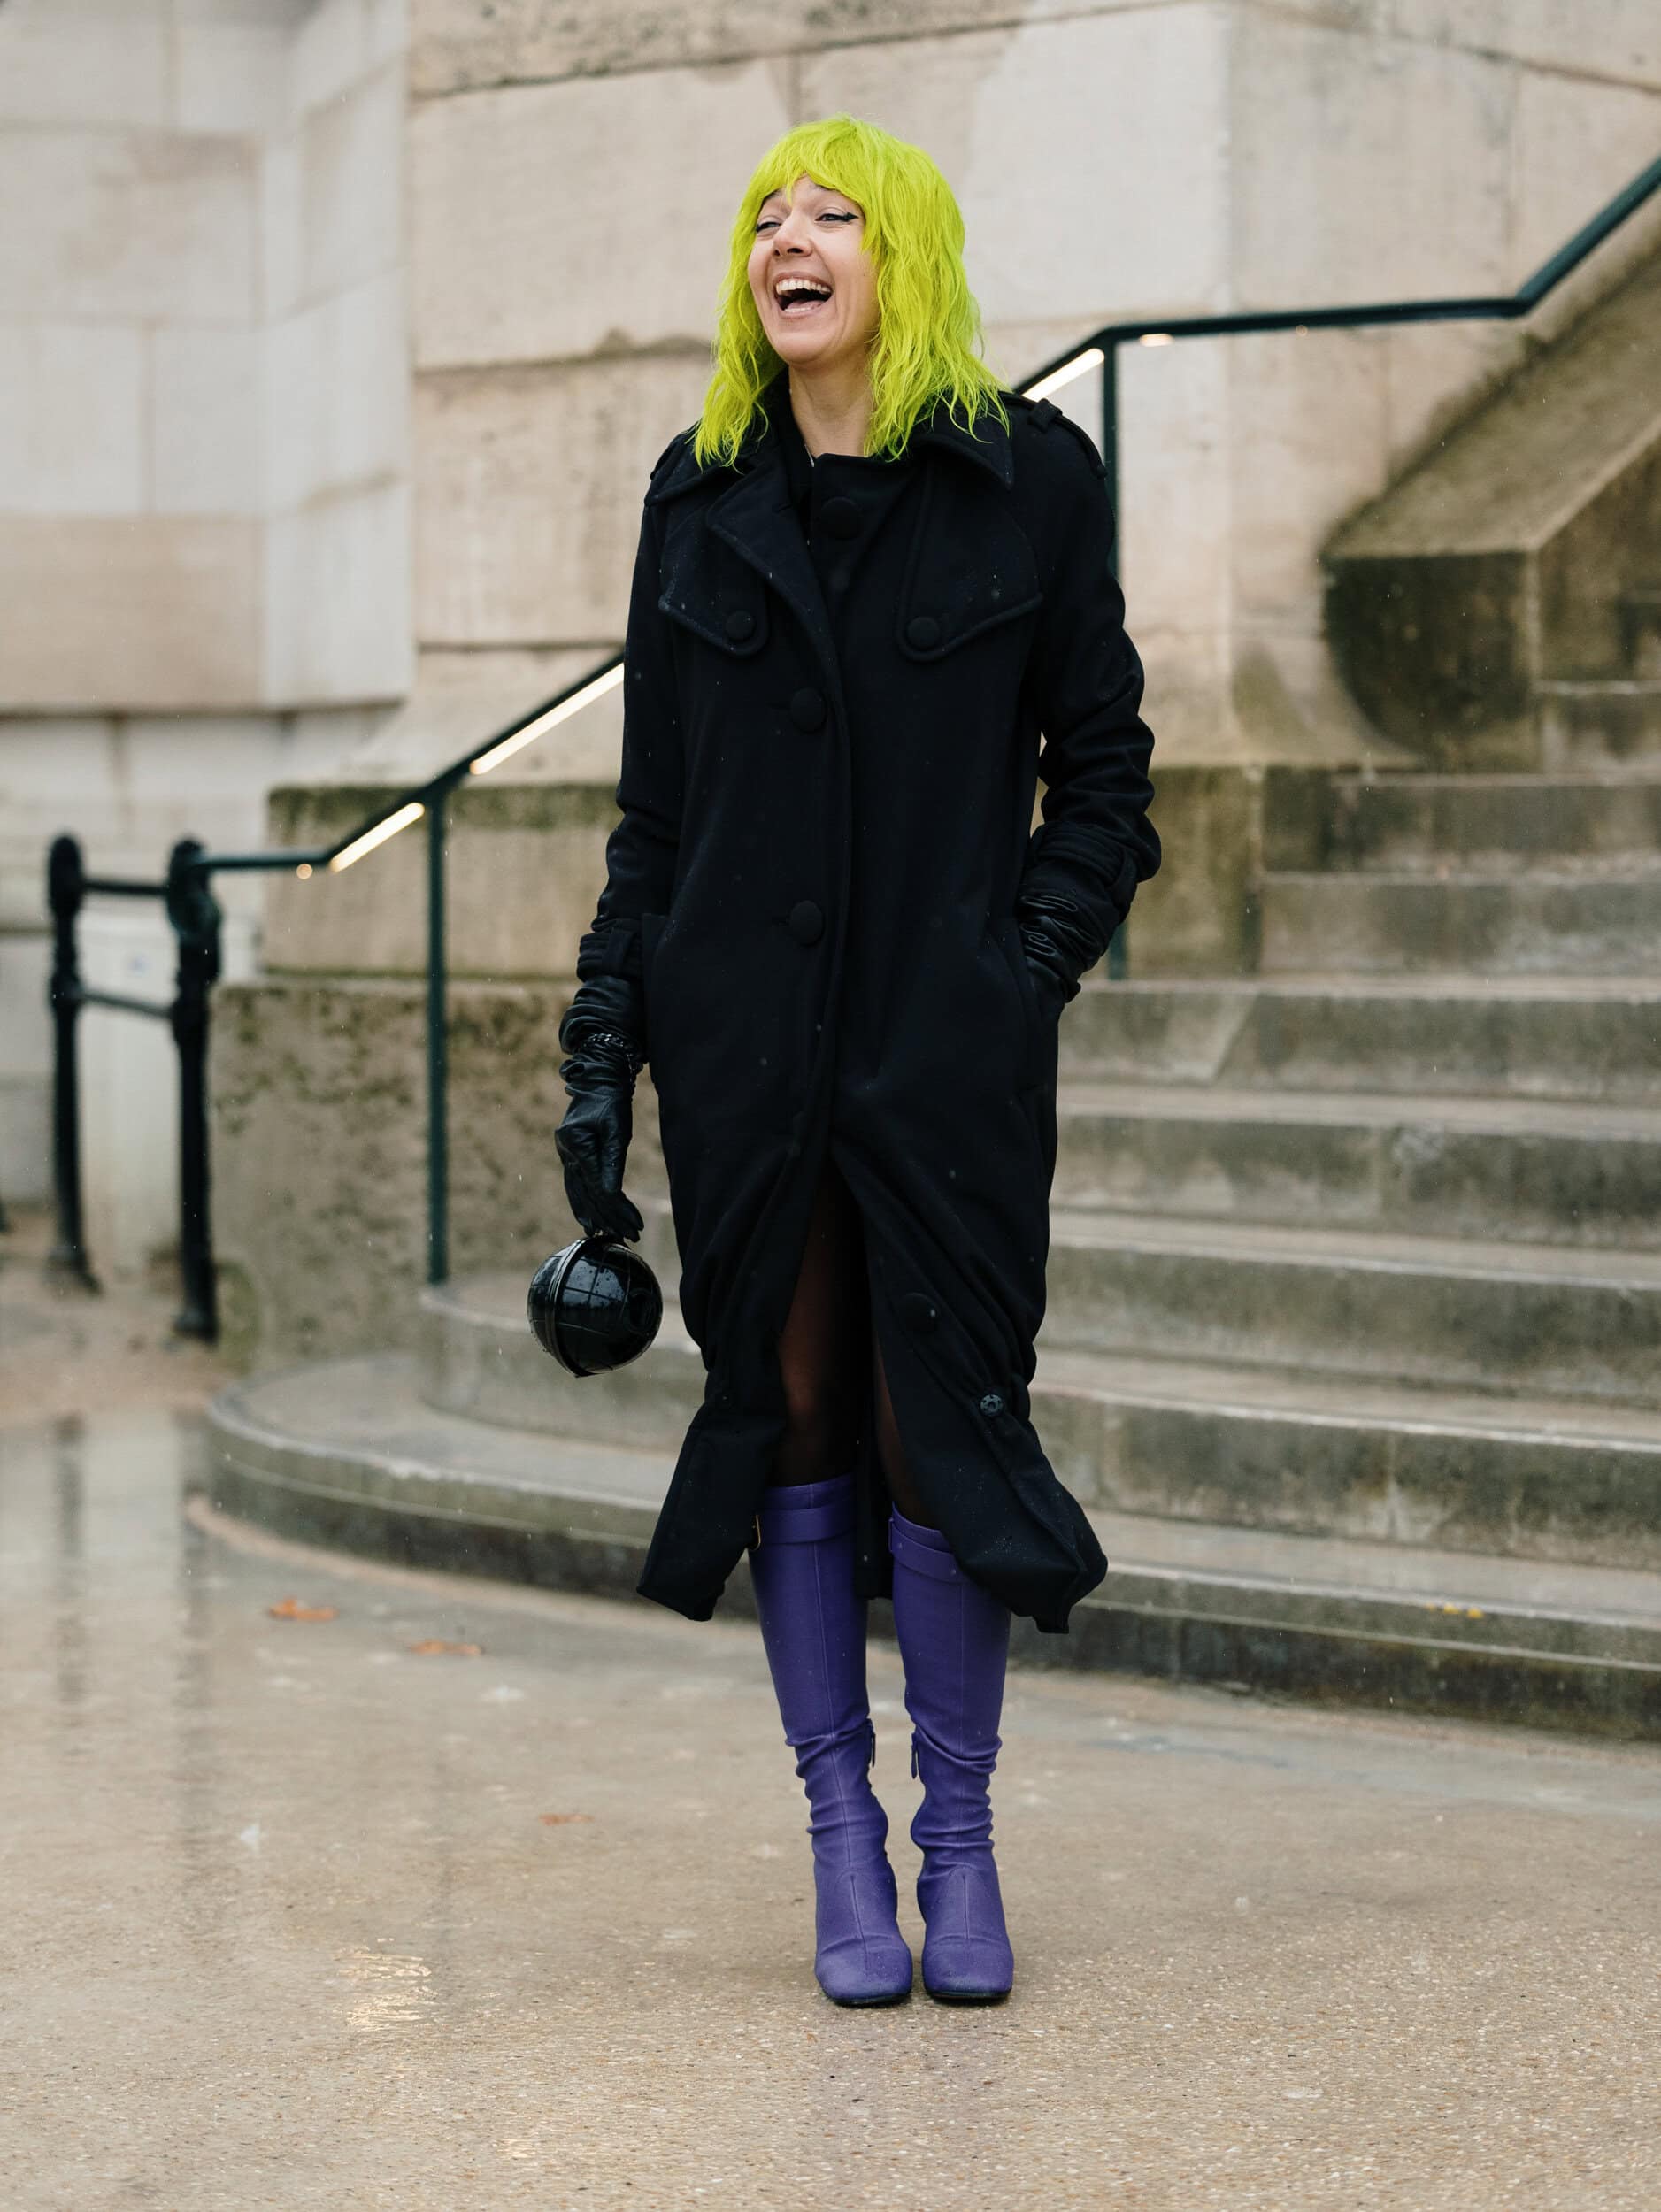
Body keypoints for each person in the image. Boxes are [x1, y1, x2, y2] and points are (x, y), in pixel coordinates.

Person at [556, 115, 1159, 2008]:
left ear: (902, 255)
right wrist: (605, 1041)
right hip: (742, 1054)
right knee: (795, 1412)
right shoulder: (699, 493)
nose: (787, 240)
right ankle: (841, 1834)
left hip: (942, 1061)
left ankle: (956, 1837)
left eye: (830, 214)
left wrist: (1016, 974)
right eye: (764, 216)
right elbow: (655, 820)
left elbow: (1106, 773)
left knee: (936, 1419)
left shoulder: (1027, 477)